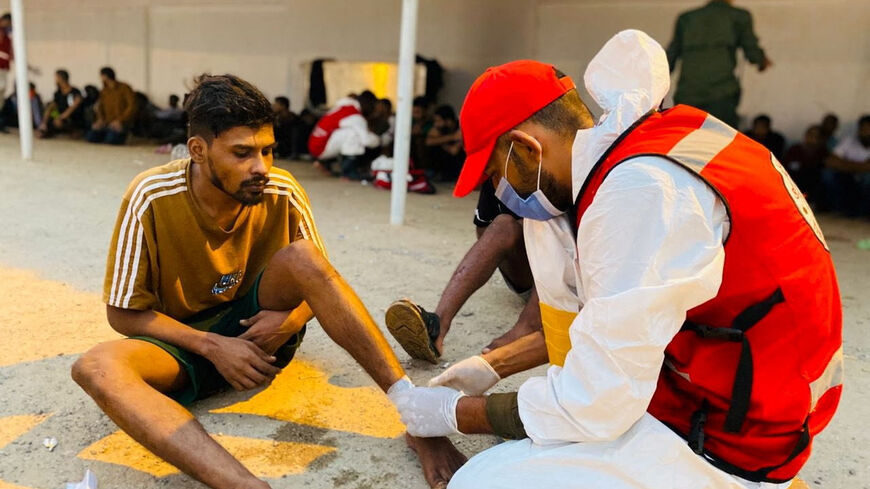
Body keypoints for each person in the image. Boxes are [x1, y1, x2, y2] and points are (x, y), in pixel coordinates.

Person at [391, 30, 842, 489]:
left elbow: (597, 403)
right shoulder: (657, 142)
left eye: (497, 174)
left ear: (527, 148)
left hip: (737, 442)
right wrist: (491, 367)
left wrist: (453, 414)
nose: (501, 193)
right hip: (750, 393)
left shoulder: (638, 193)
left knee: (484, 481)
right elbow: (612, 323)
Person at [70, 74, 465, 489]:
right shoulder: (151, 194)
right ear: (198, 150)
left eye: (268, 150)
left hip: (263, 339)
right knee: (95, 367)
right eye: (242, 153)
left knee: (304, 256)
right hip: (181, 346)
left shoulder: (282, 189)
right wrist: (213, 346)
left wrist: (292, 321)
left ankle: (417, 416)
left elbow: (320, 284)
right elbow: (122, 313)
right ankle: (246, 486)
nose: (261, 167)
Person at [385, 178, 540, 363]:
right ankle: (436, 327)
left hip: (569, 281)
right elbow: (484, 232)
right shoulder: (499, 174)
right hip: (530, 273)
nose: (491, 171)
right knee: (503, 225)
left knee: (556, 238)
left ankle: (528, 327)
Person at [666, 0, 772, 128]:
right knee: (720, 140)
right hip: (722, 93)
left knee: (684, 138)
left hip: (687, 93)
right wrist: (761, 61)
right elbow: (751, 48)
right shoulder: (739, 16)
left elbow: (671, 54)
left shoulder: (686, 18)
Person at [308, 91, 381, 180]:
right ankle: (348, 171)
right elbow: (367, 141)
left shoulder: (344, 106)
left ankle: (327, 163)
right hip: (320, 148)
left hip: (315, 144)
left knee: (346, 133)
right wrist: (379, 139)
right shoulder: (355, 116)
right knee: (353, 134)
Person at [820, 115, 870, 217]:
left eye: (867, 130)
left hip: (863, 178)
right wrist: (860, 166)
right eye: (863, 129)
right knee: (827, 174)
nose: (864, 132)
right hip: (847, 175)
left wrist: (844, 163)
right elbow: (830, 161)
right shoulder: (849, 140)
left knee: (867, 178)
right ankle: (837, 208)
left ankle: (863, 212)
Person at [86, 66, 136, 145]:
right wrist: (100, 119)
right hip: (107, 122)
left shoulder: (124, 88)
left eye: (101, 76)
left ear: (105, 76)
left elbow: (131, 106)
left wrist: (120, 120)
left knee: (111, 140)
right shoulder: (104, 91)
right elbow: (100, 107)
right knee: (90, 137)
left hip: (121, 122)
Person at [782, 125, 827, 203]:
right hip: (793, 180)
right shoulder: (795, 148)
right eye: (810, 134)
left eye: (816, 136)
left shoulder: (822, 152)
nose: (812, 138)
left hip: (812, 182)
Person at [36, 69, 83, 138]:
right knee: (51, 114)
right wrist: (44, 122)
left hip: (73, 118)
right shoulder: (58, 93)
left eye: (56, 78)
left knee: (59, 123)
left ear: (60, 78)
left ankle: (75, 131)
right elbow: (52, 106)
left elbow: (73, 106)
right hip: (60, 116)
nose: (55, 80)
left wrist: (61, 117)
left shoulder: (75, 92)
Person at [425, 105, 465, 181]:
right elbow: (429, 142)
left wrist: (440, 141)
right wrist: (451, 137)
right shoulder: (439, 129)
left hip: (457, 167)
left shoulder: (461, 127)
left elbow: (454, 151)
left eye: (439, 121)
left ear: (448, 121)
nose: (436, 124)